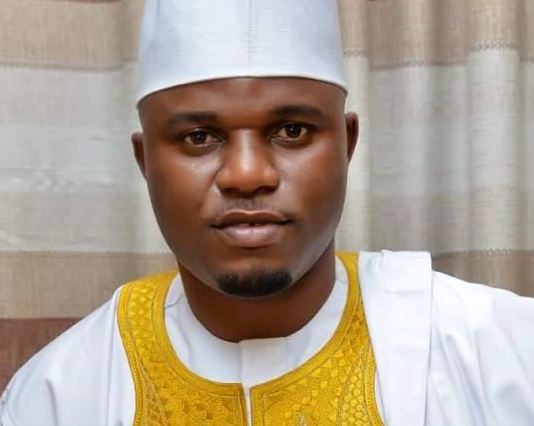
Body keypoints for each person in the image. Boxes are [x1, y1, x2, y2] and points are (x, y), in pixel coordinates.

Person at [1, 0, 533, 425]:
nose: (247, 174)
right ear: (145, 162)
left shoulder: (501, 355)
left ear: (347, 144)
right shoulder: (60, 394)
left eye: (292, 131)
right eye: (199, 137)